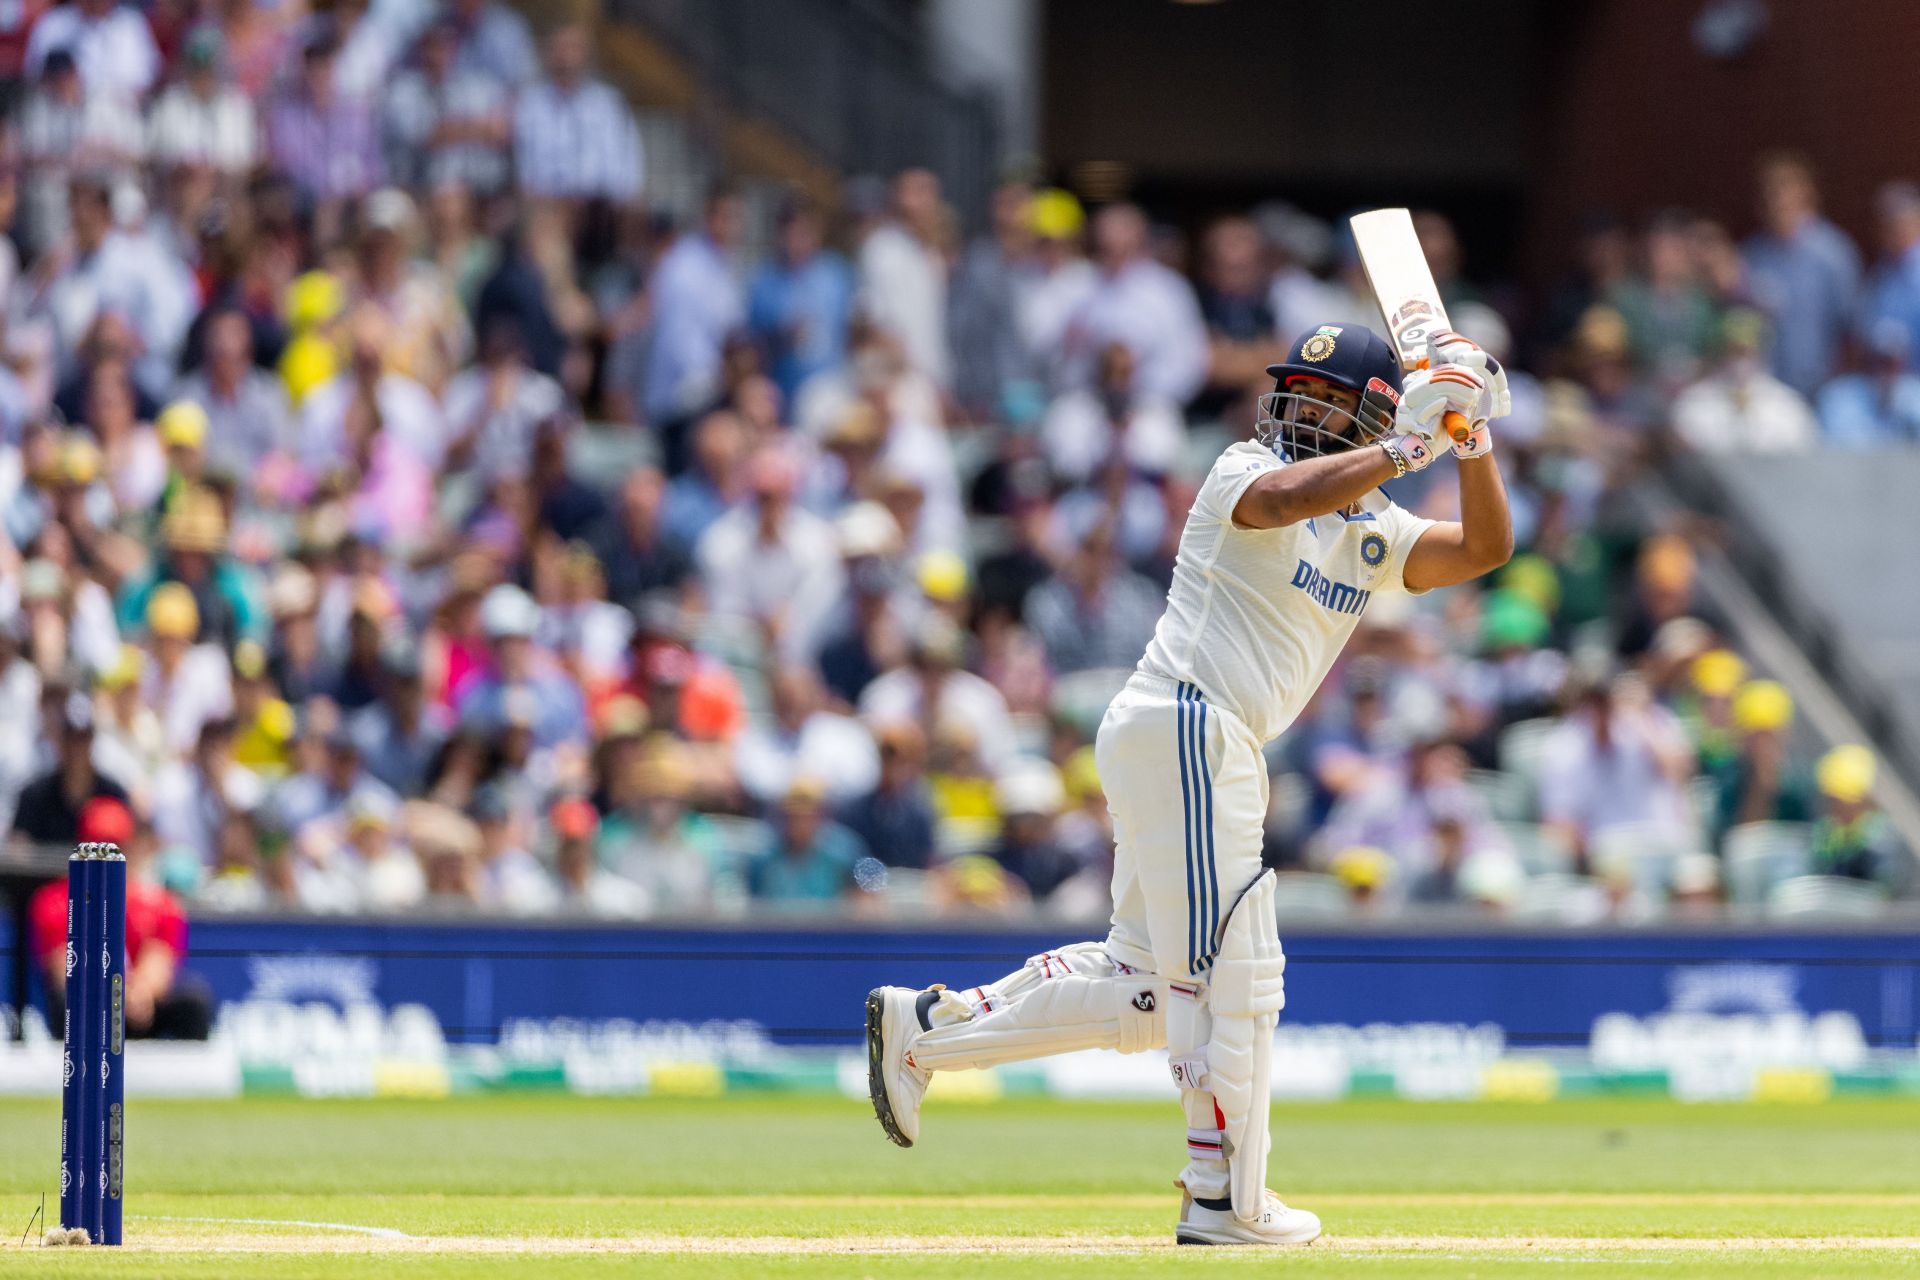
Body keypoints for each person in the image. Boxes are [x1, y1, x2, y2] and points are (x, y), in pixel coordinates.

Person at [864, 321, 1513, 1246]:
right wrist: (1407, 444)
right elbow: (1286, 501)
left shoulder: (1377, 528)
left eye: (1330, 400)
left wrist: (1470, 436)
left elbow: (1484, 548)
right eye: (1300, 391)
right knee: (1234, 975)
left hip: (1190, 737)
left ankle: (926, 1029)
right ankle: (1223, 1199)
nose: (1304, 409)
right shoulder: (1242, 470)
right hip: (1189, 723)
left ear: (1371, 405)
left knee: (1143, 987)